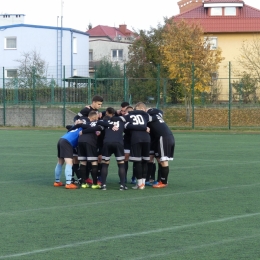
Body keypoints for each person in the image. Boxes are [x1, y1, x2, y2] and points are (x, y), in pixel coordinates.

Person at [117, 102, 151, 190]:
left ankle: (140, 184)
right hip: (147, 139)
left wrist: (128, 124)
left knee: (137, 161)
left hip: (136, 139)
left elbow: (120, 119)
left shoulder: (129, 115)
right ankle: (143, 183)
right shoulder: (146, 115)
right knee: (145, 161)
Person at [97, 114, 127, 190]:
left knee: (105, 164)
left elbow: (98, 122)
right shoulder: (122, 122)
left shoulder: (105, 122)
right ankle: (122, 185)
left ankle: (103, 185)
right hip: (118, 143)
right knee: (121, 164)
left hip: (107, 142)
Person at [147, 108, 175, 188]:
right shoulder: (157, 115)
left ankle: (163, 182)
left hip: (163, 138)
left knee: (163, 160)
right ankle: (162, 180)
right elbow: (160, 111)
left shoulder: (149, 116)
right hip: (166, 137)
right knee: (160, 160)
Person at [77, 111, 104, 189]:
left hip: (81, 141)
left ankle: (83, 183)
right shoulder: (98, 123)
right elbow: (98, 131)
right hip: (90, 142)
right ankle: (94, 183)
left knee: (83, 162)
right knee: (94, 162)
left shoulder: (86, 124)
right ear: (95, 117)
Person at [54, 120, 83, 189]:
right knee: (69, 162)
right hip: (67, 142)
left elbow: (68, 126)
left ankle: (57, 182)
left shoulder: (74, 127)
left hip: (61, 139)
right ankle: (68, 183)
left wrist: (77, 124)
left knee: (60, 162)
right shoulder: (84, 128)